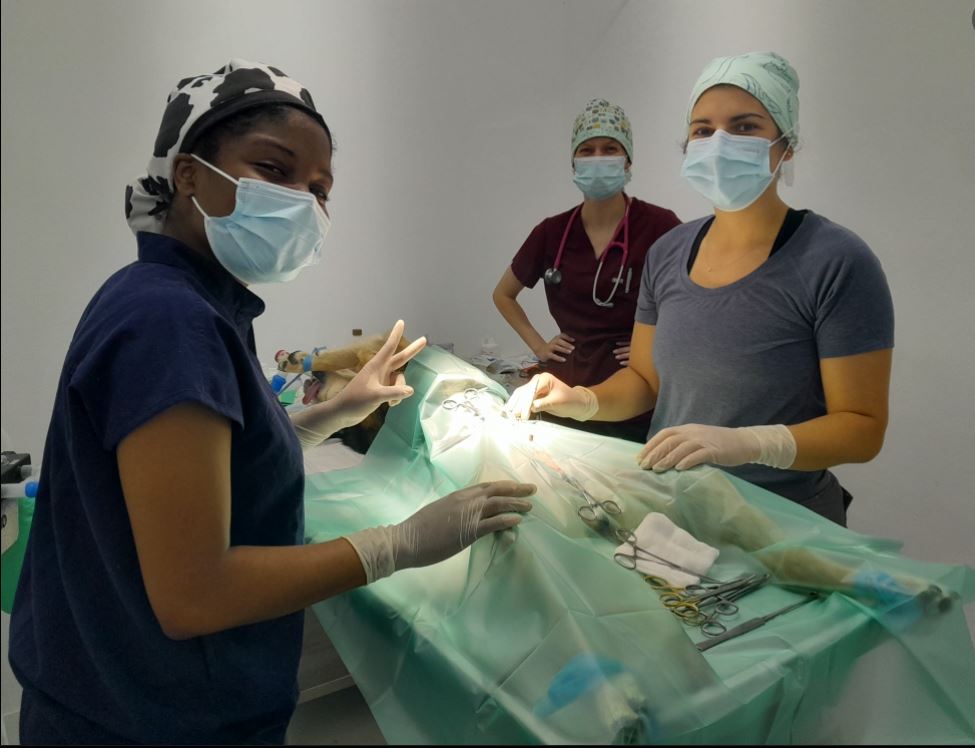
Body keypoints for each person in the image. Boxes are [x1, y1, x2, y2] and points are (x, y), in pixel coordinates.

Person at [8, 59, 535, 745]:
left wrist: (330, 416)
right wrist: (398, 543)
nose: (304, 202)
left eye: (320, 189)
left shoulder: (183, 301)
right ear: (189, 176)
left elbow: (207, 461)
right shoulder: (169, 322)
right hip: (148, 721)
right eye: (275, 170)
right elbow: (196, 594)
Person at [505, 52, 894, 526]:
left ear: (786, 146)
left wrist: (750, 443)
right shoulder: (669, 252)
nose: (719, 142)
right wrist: (581, 399)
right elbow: (645, 383)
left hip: (785, 522)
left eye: (745, 126)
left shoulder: (835, 261)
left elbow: (862, 428)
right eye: (703, 130)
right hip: (674, 507)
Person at [492, 98, 681, 443]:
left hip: (633, 395)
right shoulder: (552, 232)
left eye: (610, 149)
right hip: (563, 387)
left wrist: (653, 346)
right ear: (574, 162)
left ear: (628, 161)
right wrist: (538, 345)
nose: (598, 158)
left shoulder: (659, 226)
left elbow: (694, 302)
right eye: (587, 149)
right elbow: (503, 294)